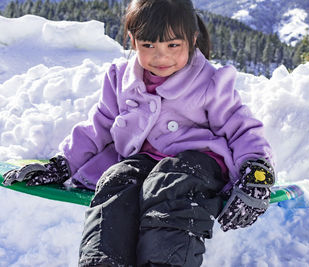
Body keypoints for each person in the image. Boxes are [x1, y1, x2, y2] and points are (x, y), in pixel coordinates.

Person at [2, 0, 275, 266]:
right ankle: (103, 261)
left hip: (197, 165)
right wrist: (63, 164)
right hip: (143, 162)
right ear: (133, 41)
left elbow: (241, 128)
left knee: (171, 184)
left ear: (192, 40)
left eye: (173, 45)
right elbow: (99, 125)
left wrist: (257, 171)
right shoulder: (121, 78)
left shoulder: (210, 83)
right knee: (116, 180)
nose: (161, 56)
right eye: (148, 45)